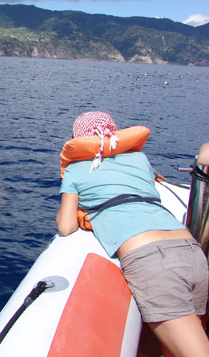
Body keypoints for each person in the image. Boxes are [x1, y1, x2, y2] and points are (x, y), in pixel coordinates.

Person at [56, 111, 209, 357]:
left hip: (151, 261)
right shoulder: (139, 159)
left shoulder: (75, 170)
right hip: (190, 250)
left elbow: (65, 226)